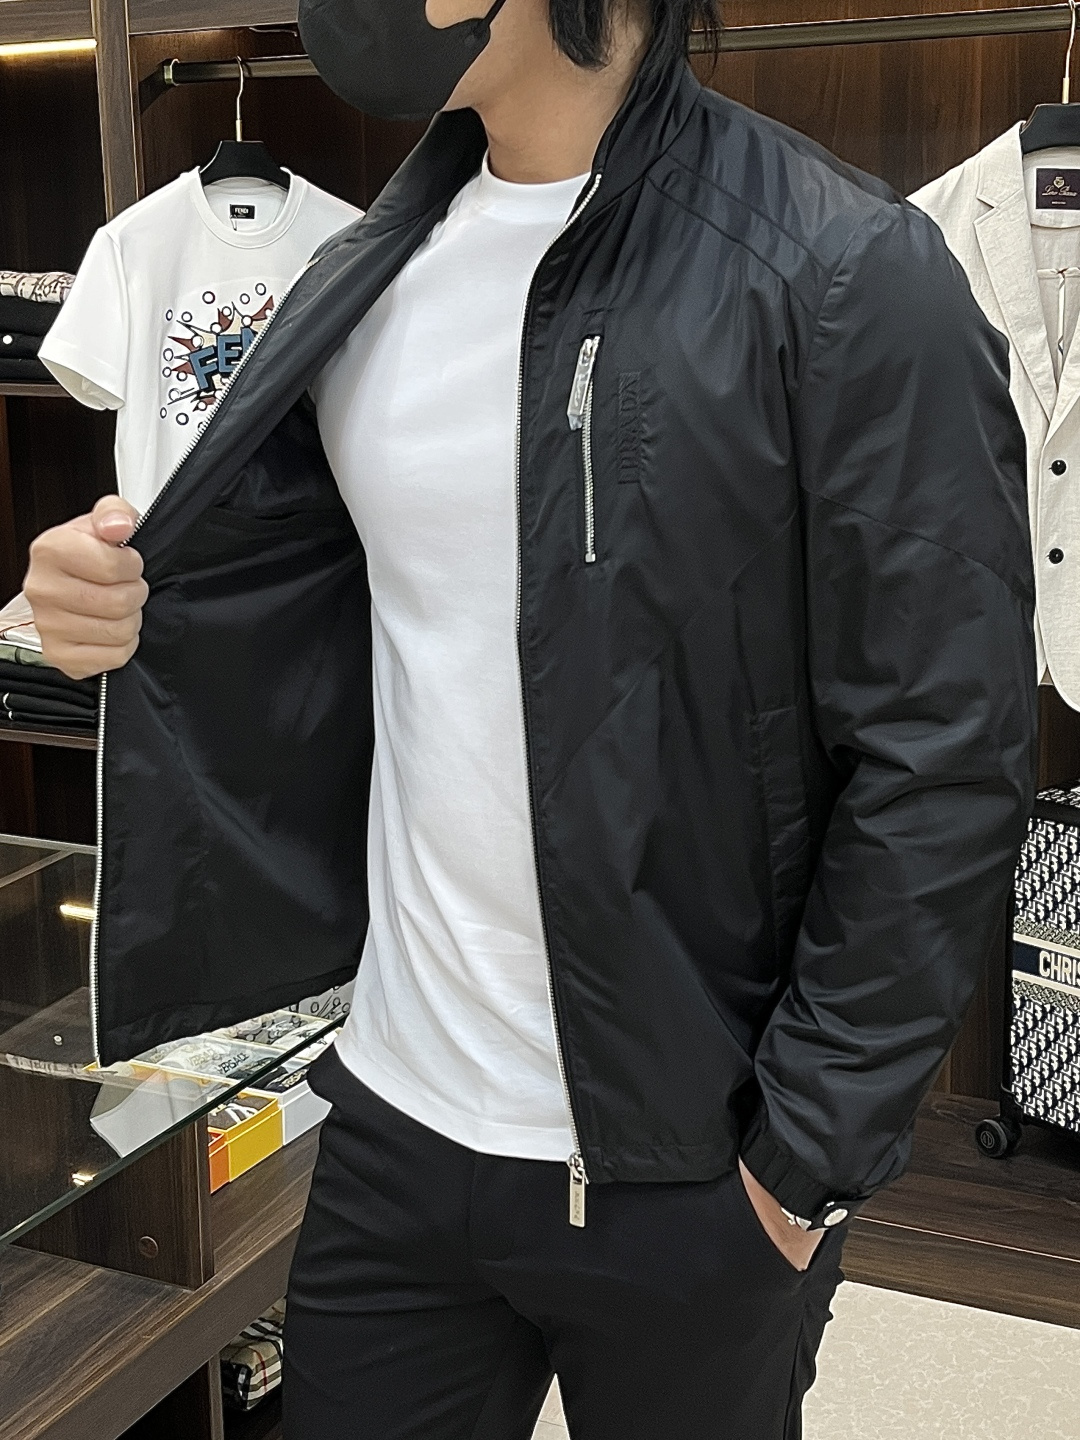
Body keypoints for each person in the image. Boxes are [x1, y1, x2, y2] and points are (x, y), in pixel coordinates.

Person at [22, 1, 1037, 1436]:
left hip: (693, 1165)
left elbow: (948, 752)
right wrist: (114, 601)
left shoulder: (844, 269)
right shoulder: (367, 270)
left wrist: (801, 1160)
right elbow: (332, 613)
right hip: (395, 1118)